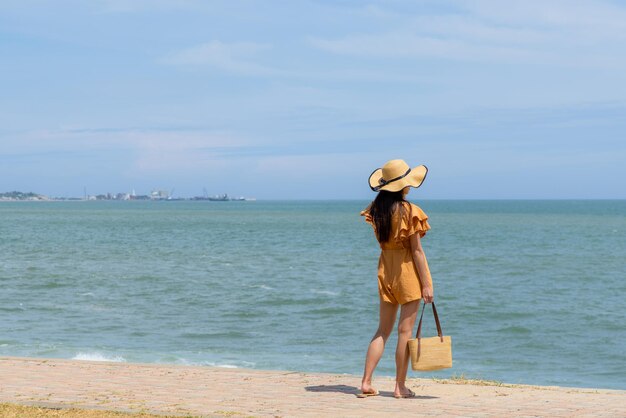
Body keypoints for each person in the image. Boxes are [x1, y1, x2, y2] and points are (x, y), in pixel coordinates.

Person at [358, 159, 435, 399]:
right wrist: (427, 284)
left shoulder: (376, 210)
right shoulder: (409, 211)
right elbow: (417, 252)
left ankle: (366, 382)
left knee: (382, 330)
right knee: (405, 332)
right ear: (402, 185)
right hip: (406, 271)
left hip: (385, 270)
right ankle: (400, 387)